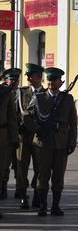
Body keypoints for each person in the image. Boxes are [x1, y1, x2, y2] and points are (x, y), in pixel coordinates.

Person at [30, 67, 77, 217]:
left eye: (54, 80)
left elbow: (73, 123)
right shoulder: (39, 97)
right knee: (43, 175)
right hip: (43, 143)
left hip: (61, 143)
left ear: (60, 82)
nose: (51, 83)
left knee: (58, 176)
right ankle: (43, 206)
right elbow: (27, 116)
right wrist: (38, 129)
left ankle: (55, 206)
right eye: (49, 80)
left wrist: (72, 142)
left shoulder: (68, 99)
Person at [15, 63, 44, 209]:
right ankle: (23, 195)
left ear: (39, 77)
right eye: (27, 75)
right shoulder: (21, 93)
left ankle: (37, 194)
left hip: (39, 137)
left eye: (30, 75)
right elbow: (14, 113)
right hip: (23, 137)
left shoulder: (46, 94)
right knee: (21, 167)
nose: (27, 77)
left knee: (39, 168)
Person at [0, 69, 20, 218]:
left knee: (1, 171)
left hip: (3, 137)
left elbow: (12, 118)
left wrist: (14, 138)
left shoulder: (5, 93)